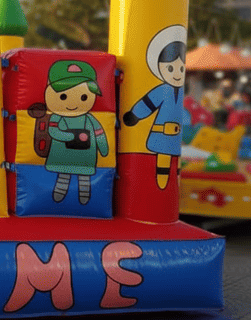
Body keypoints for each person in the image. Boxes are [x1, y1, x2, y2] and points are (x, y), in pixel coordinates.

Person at [123, 25, 186, 190]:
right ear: (160, 67)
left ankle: (169, 185)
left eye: (181, 68)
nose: (178, 73)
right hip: (162, 133)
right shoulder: (162, 89)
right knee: (162, 160)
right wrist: (135, 115)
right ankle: (161, 183)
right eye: (171, 68)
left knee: (174, 163)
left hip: (175, 135)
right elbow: (148, 103)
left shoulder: (181, 90)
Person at [39, 60, 109, 205]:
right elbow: (52, 131)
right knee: (63, 175)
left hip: (86, 156)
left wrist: (103, 148)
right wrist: (70, 136)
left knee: (84, 177)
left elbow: (99, 132)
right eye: (63, 96)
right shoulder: (56, 117)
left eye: (84, 97)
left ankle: (85, 194)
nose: (72, 104)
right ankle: (60, 191)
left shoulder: (89, 118)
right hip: (62, 155)